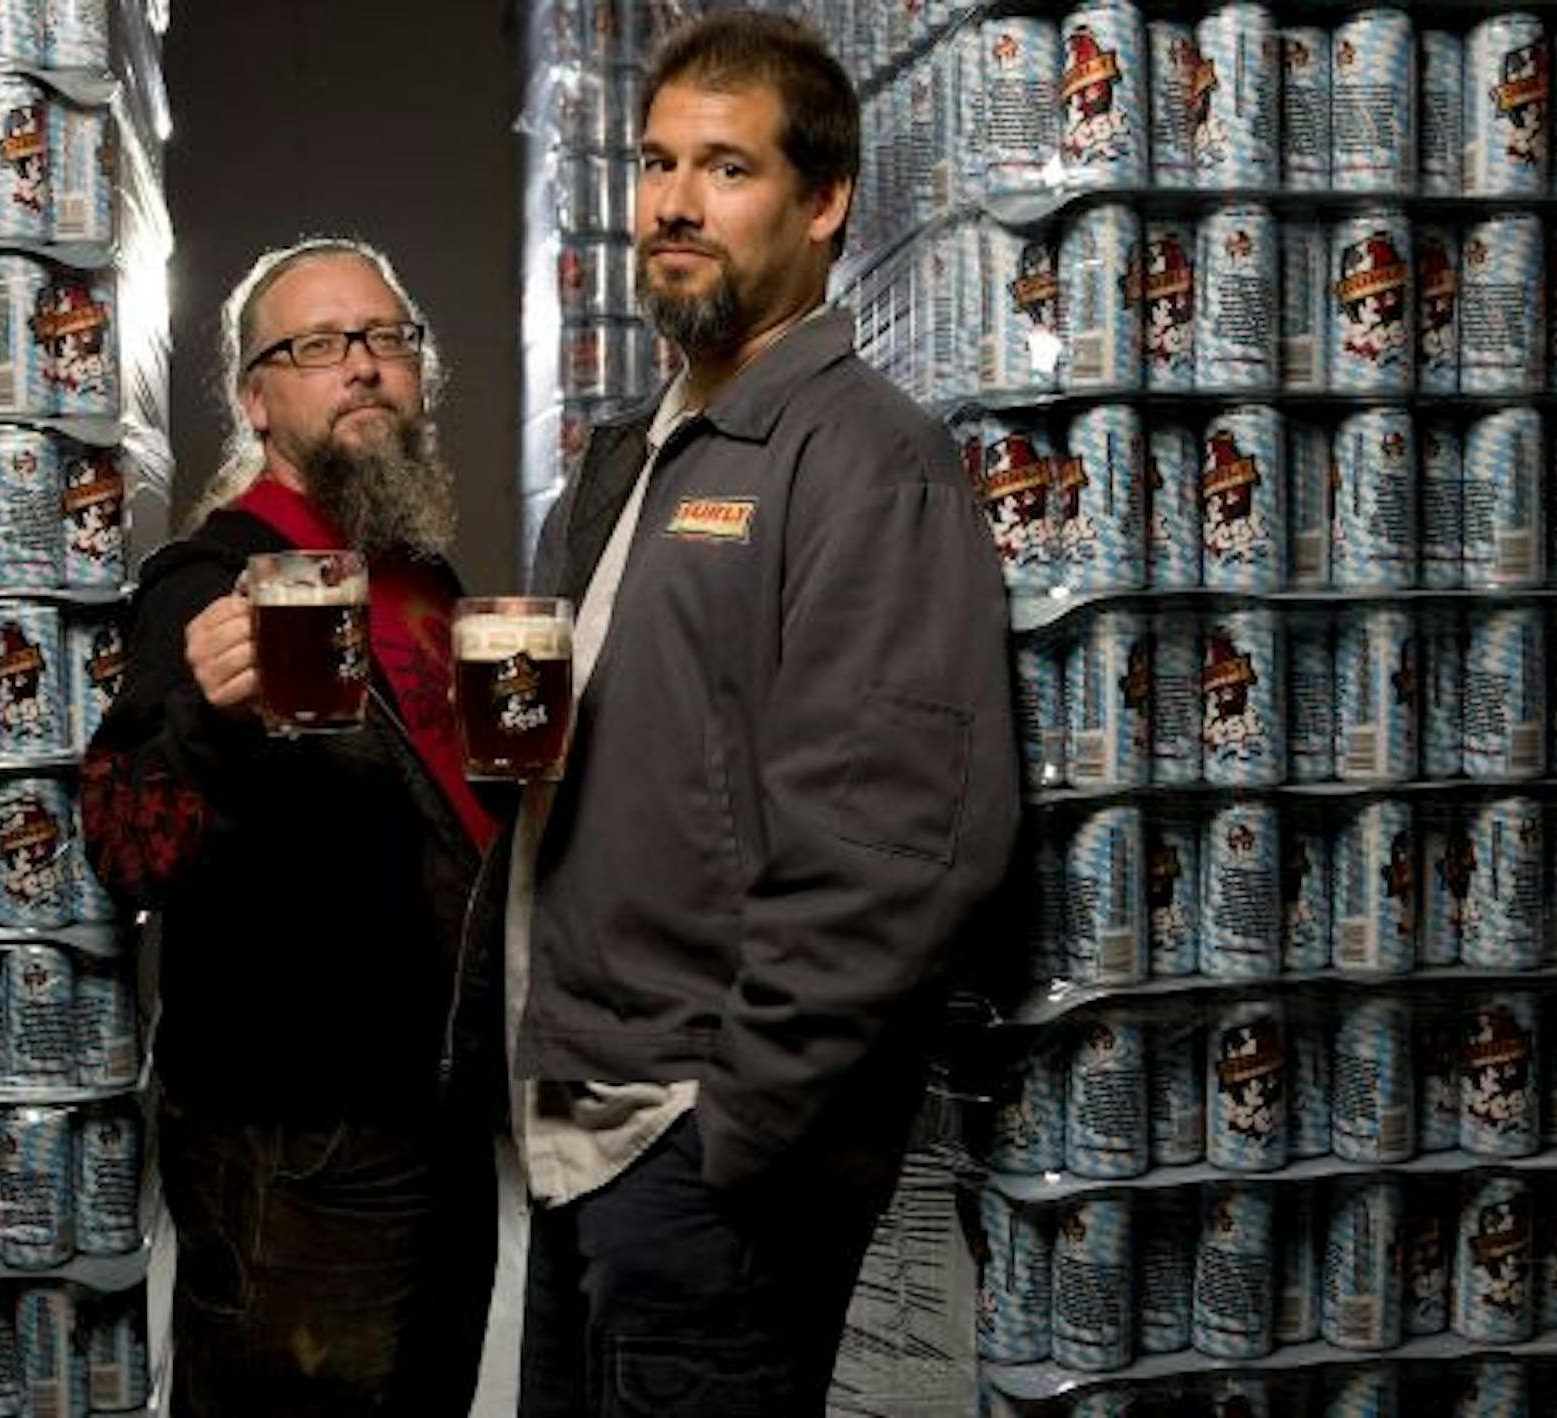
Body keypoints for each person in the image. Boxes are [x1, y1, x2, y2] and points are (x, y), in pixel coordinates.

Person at [506, 12, 1019, 1414]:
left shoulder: (868, 458)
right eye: (656, 161)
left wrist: (736, 1129)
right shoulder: (633, 456)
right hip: (582, 1131)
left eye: (724, 167)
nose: (673, 201)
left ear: (824, 199)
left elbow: (902, 845)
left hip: (698, 1152)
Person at [78, 238, 500, 1417]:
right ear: (258, 400)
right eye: (317, 345)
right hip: (296, 1153)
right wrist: (206, 722)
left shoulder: (429, 582)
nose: (361, 367)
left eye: (386, 340)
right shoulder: (208, 577)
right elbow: (122, 846)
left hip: (442, 1129)